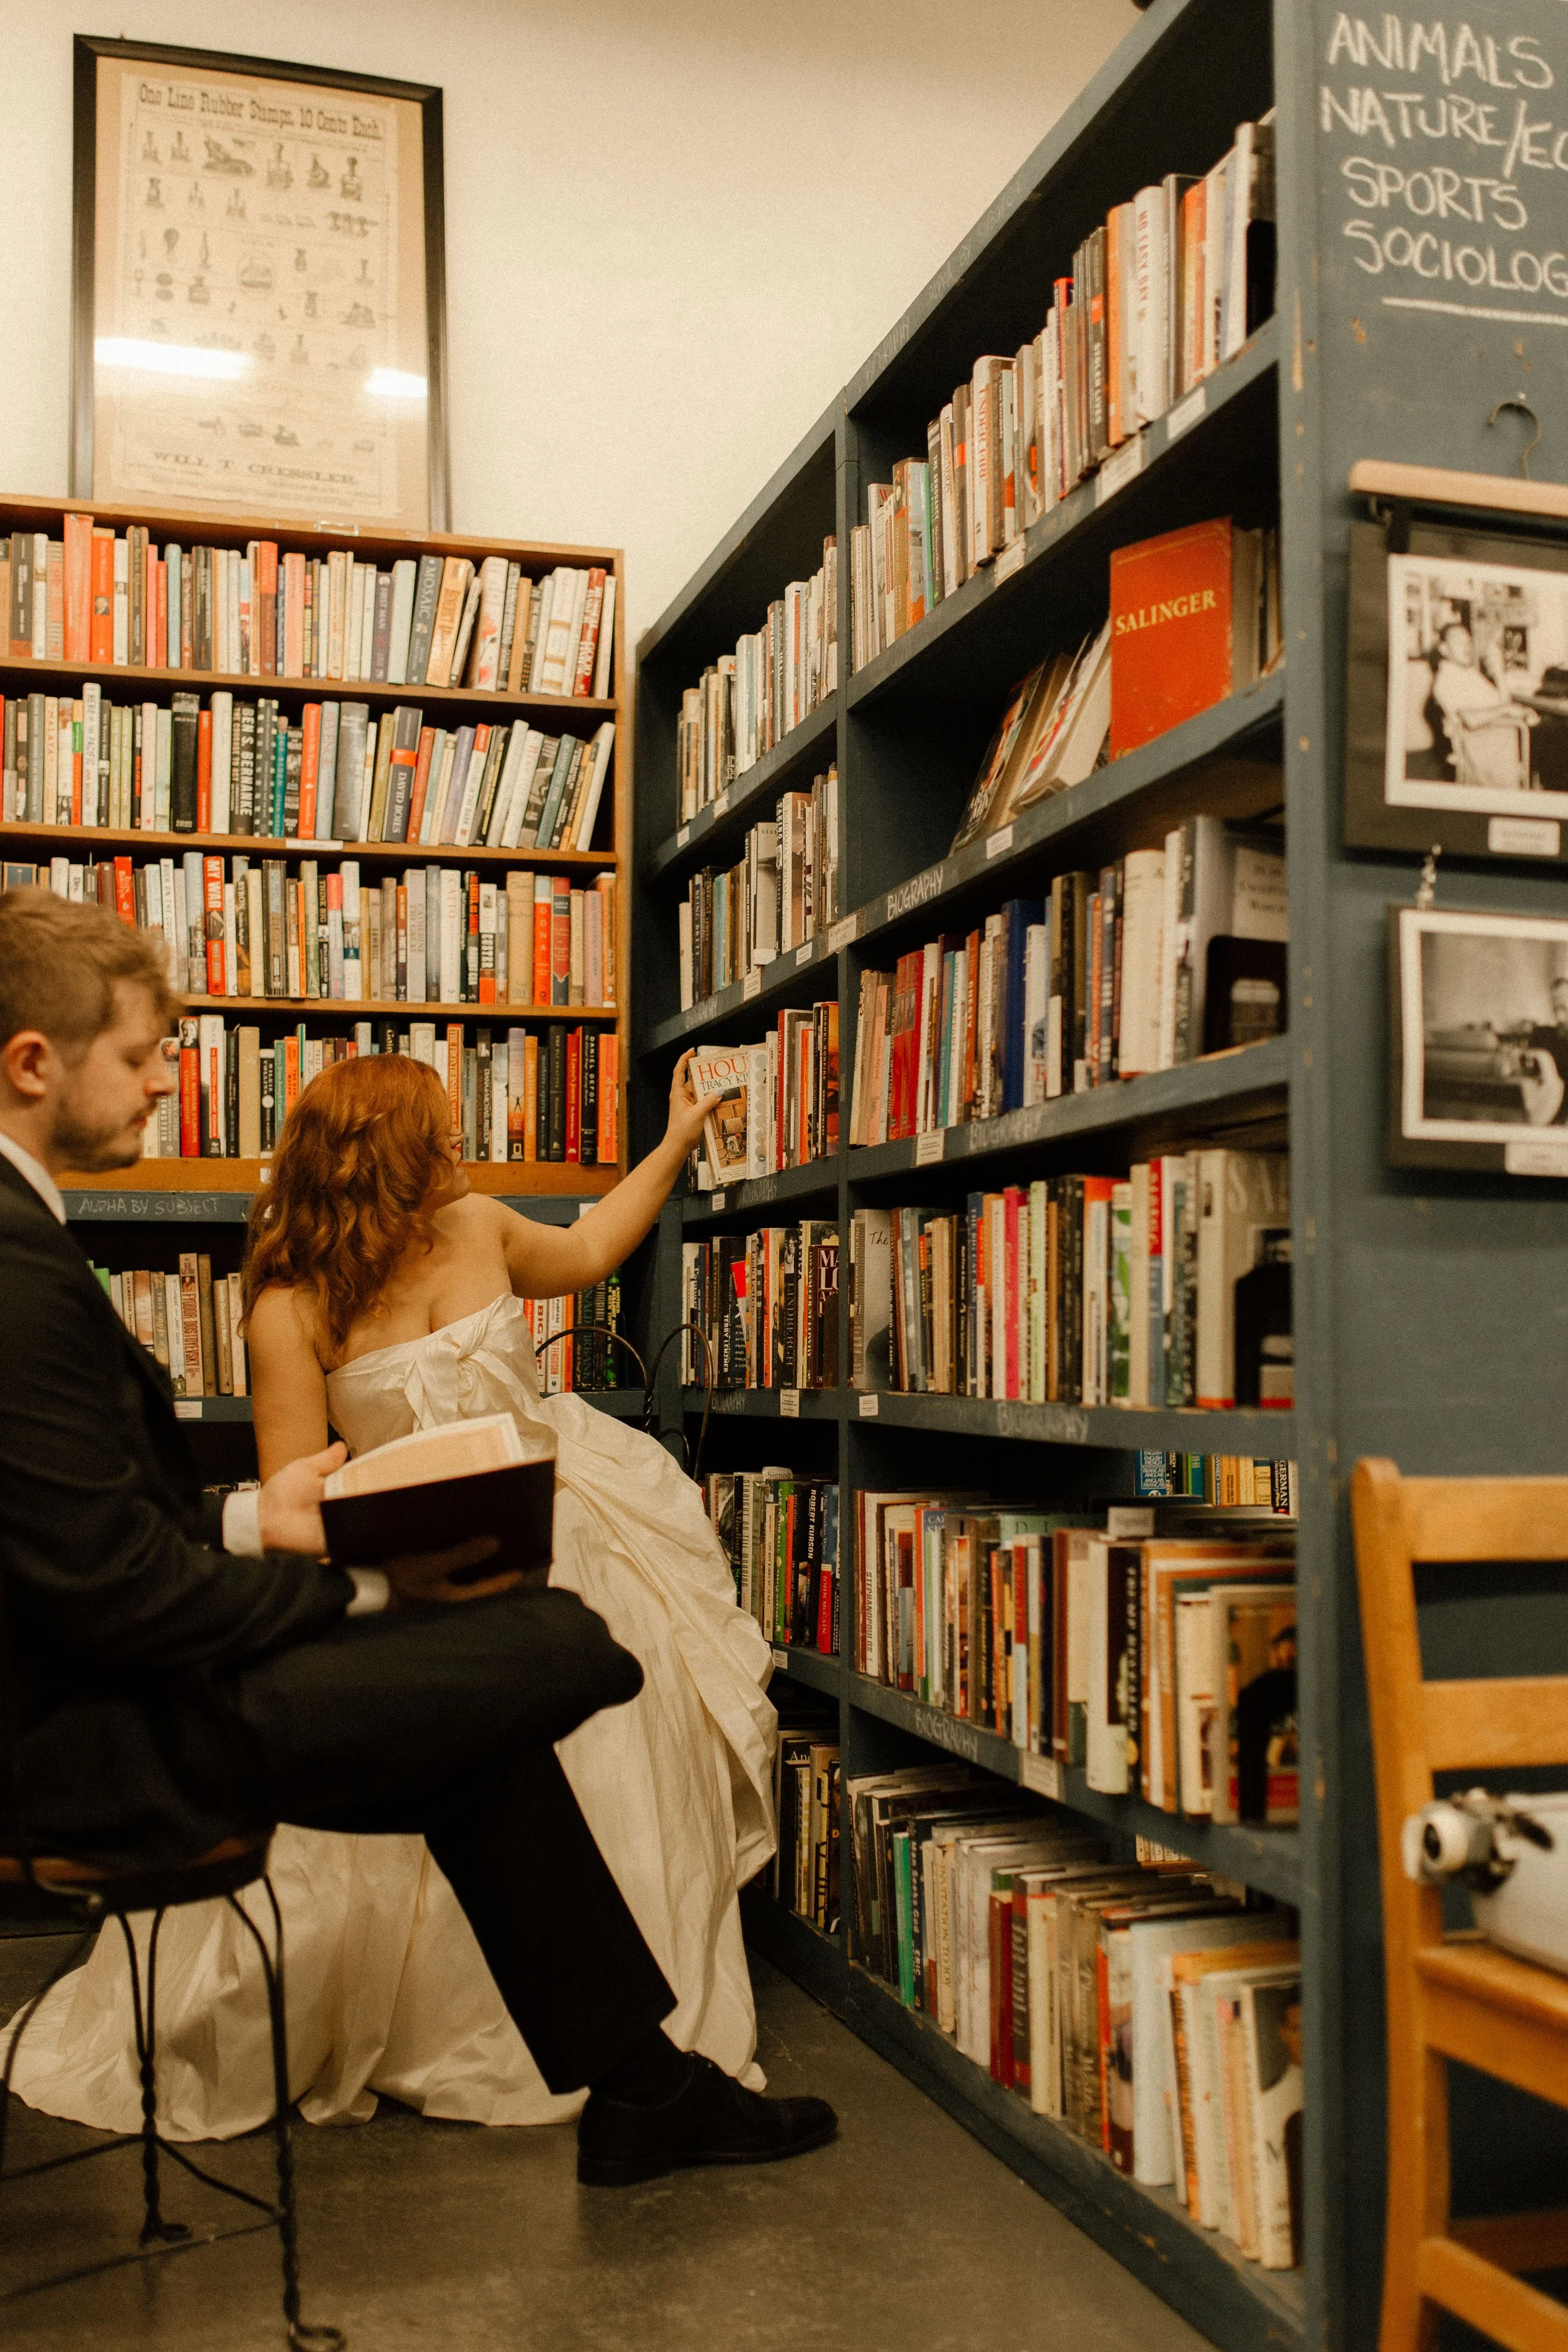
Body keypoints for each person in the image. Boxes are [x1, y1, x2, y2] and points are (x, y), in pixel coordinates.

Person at [0, 887, 834, 2186]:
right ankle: (645, 2075)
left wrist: (253, 1524)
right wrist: (358, 1596)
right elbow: (108, 1585)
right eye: (141, 1055)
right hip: (100, 1724)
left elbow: (108, 1529)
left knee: (496, 1708)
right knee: (542, 1649)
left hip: (129, 1668)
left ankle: (643, 2088)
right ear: (35, 1064)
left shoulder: (38, 1245)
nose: (169, 1084)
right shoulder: (20, 1265)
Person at [1430, 621, 1533, 792]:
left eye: (1469, 641)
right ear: (1444, 649)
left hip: (1504, 756)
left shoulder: (1468, 674)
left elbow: (1502, 703)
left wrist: (1499, 672)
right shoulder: (1447, 679)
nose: (1467, 646)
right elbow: (1471, 720)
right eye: (1459, 642)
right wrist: (1506, 710)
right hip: (1487, 764)